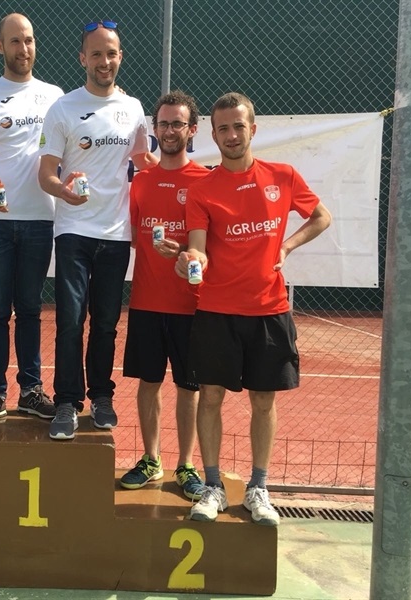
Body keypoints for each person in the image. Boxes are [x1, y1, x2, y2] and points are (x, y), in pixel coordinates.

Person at [176, 92, 332, 525]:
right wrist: (192, 259)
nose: (231, 135)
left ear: (253, 129)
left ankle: (258, 488)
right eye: (223, 128)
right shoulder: (201, 191)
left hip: (269, 309)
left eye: (238, 126)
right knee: (210, 397)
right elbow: (198, 247)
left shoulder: (283, 176)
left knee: (264, 400)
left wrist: (288, 245)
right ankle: (212, 486)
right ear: (213, 135)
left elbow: (321, 216)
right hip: (217, 311)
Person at [38, 20, 158, 440]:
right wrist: (64, 193)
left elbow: (145, 163)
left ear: (120, 56)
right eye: (96, 54)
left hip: (116, 234)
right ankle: (66, 402)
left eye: (111, 53)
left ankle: (101, 397)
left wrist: (185, 176)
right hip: (73, 230)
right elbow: (46, 174)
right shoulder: (63, 108)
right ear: (82, 59)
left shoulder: (134, 109)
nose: (104, 61)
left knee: (105, 323)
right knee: (71, 321)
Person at [0, 13, 64, 426]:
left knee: (31, 309)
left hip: (40, 220)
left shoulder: (56, 97)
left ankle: (31, 391)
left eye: (29, 40)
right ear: (0, 46)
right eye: (15, 41)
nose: (24, 48)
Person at [119, 91, 208, 500]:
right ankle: (151, 459)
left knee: (189, 387)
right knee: (148, 383)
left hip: (192, 305)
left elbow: (213, 246)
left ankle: (186, 464)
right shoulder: (140, 182)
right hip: (146, 302)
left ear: (192, 130)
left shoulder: (205, 181)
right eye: (164, 124)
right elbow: (135, 237)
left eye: (178, 124)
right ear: (154, 129)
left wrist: (186, 252)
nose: (170, 131)